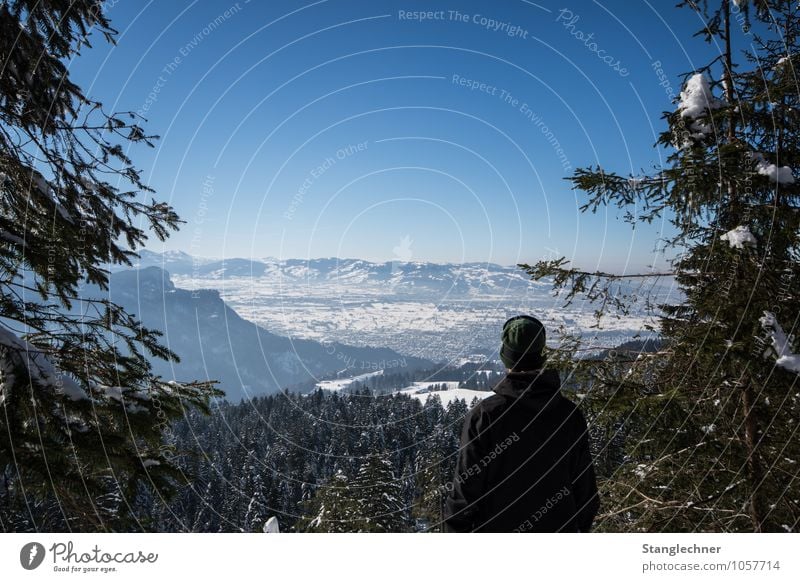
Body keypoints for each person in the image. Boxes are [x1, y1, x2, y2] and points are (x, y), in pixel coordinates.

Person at [443, 315, 599, 532]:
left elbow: (465, 493)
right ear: (542, 356)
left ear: (505, 357)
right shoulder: (570, 415)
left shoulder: (484, 416)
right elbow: (586, 493)